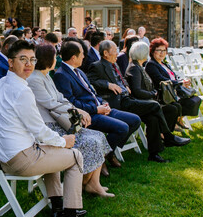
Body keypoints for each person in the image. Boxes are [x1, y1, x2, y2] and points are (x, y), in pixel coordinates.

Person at [0, 40, 92, 217]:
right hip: (20, 159)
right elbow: (38, 129)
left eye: (32, 59)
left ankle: (57, 209)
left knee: (54, 148)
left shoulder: (2, 83)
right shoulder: (22, 90)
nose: (29, 64)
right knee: (76, 156)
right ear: (10, 62)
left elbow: (35, 130)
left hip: (6, 155)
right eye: (23, 59)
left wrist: (57, 143)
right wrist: (63, 141)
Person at [28, 44, 113, 196]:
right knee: (90, 141)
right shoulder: (35, 79)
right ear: (48, 59)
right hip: (50, 127)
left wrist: (77, 110)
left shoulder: (46, 75)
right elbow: (51, 103)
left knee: (99, 136)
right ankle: (83, 182)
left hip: (59, 122)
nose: (57, 59)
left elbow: (60, 98)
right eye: (55, 56)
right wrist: (77, 111)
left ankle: (93, 183)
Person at [89, 40, 188, 163]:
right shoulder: (97, 65)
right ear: (105, 53)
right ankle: (168, 136)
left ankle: (154, 154)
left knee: (153, 118)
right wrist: (108, 84)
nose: (117, 53)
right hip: (118, 103)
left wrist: (125, 85)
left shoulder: (114, 64)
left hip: (127, 98)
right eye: (115, 51)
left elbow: (121, 78)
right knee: (155, 105)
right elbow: (90, 81)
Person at [53, 40, 141, 170]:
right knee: (122, 128)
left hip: (99, 108)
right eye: (82, 54)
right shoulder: (61, 75)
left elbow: (92, 93)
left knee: (135, 120)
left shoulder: (79, 71)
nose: (84, 56)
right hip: (88, 115)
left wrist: (104, 104)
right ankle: (102, 158)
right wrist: (96, 109)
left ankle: (107, 154)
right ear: (73, 57)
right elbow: (71, 103)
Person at [146, 38, 203, 130]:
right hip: (165, 95)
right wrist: (180, 83)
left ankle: (179, 118)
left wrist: (183, 81)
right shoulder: (151, 65)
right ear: (152, 51)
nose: (162, 53)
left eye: (164, 50)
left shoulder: (165, 64)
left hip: (175, 91)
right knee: (190, 102)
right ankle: (175, 121)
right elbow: (162, 80)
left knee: (196, 99)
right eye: (159, 50)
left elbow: (175, 77)